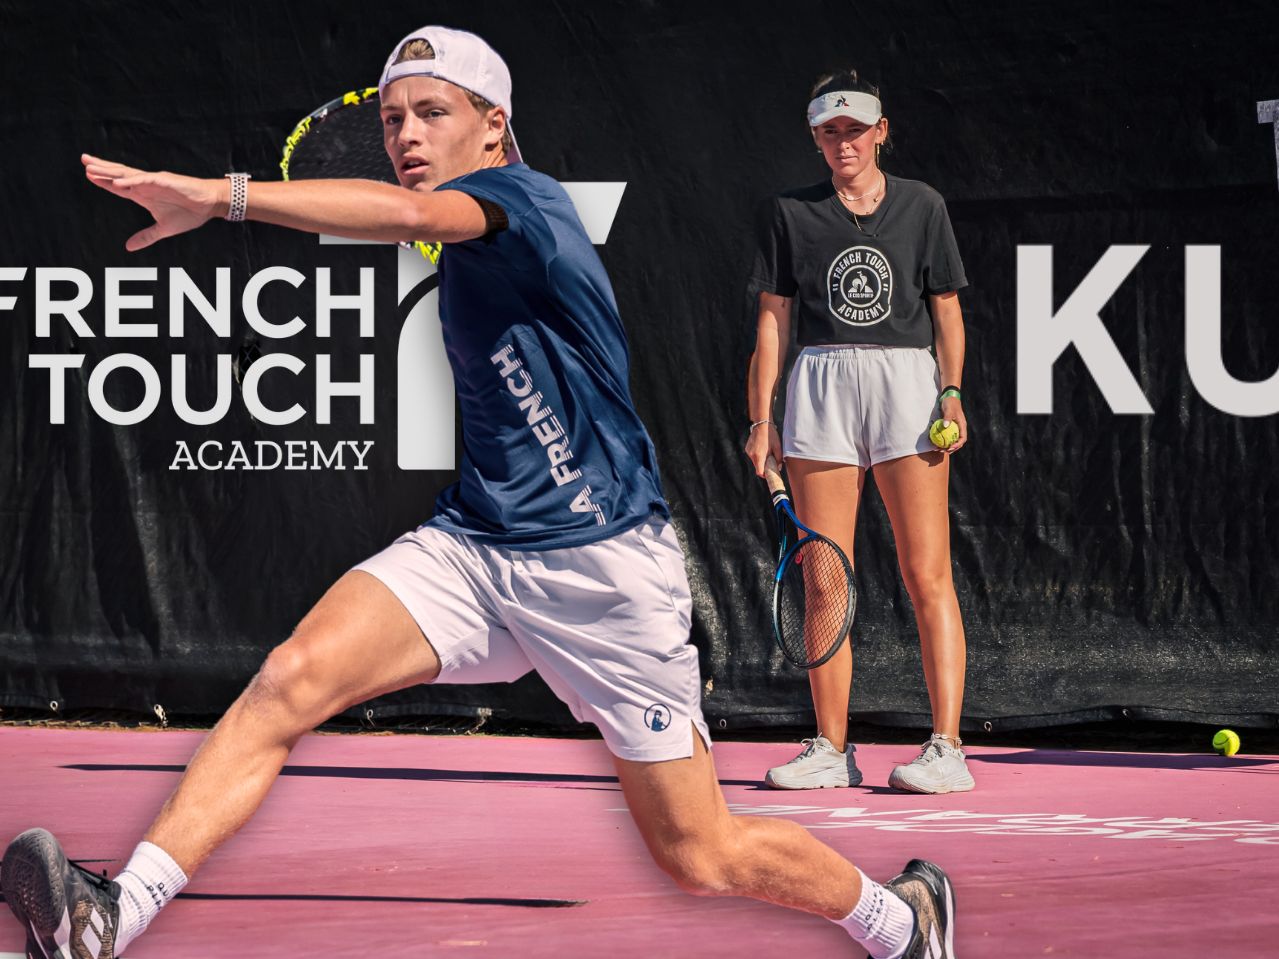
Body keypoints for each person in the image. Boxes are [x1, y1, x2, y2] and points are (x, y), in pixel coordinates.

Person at [1, 29, 958, 959]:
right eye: (392, 119)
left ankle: (900, 920)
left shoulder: (524, 199)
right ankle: (111, 917)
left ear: (493, 125)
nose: (405, 135)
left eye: (432, 113)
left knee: (699, 854)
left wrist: (220, 197)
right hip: (477, 546)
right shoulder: (464, 234)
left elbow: (409, 215)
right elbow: (417, 221)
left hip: (602, 570)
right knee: (289, 679)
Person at [744, 70, 973, 795]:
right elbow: (773, 323)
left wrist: (951, 392)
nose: (843, 143)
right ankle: (830, 748)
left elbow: (946, 312)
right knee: (824, 579)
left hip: (907, 387)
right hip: (821, 387)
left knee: (926, 573)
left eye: (855, 130)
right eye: (829, 132)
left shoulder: (922, 205)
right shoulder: (790, 212)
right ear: (815, 138)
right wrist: (761, 420)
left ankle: (946, 747)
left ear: (880, 132)